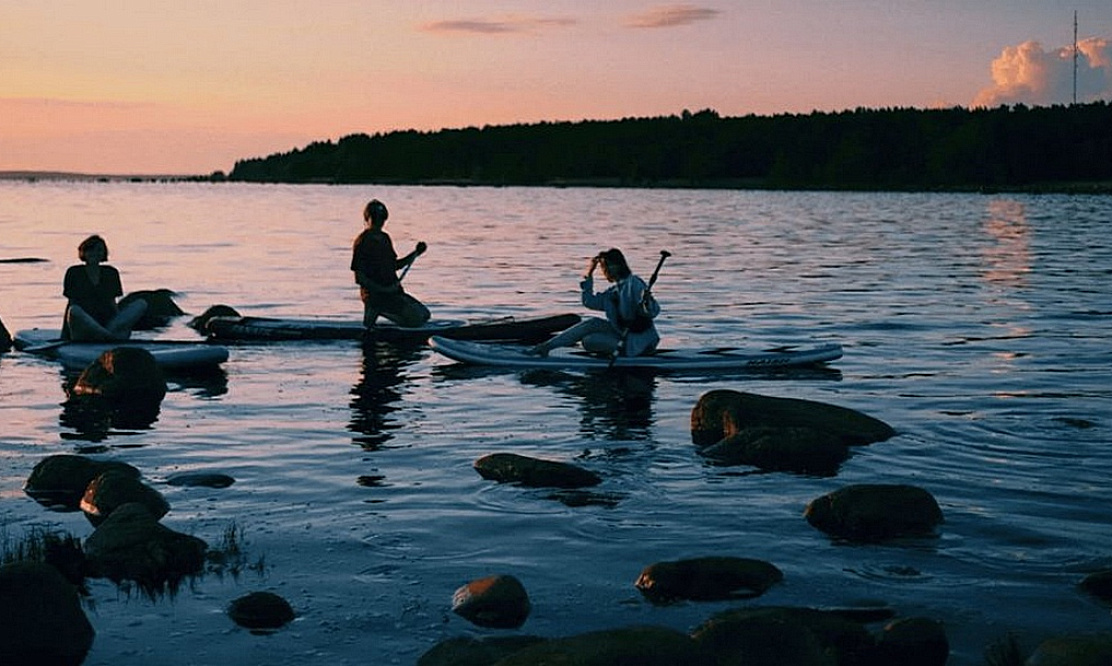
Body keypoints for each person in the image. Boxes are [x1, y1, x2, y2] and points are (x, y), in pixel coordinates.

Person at [529, 248, 660, 357]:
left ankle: (638, 352)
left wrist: (646, 303)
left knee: (590, 341)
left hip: (638, 342)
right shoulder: (613, 291)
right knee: (592, 323)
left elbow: (654, 311)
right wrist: (590, 272)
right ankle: (546, 346)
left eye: (609, 265)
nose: (606, 269)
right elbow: (589, 302)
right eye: (604, 266)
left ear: (620, 265)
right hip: (622, 333)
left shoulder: (634, 283)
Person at [351, 199, 431, 328]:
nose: (380, 222)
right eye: (376, 219)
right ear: (368, 219)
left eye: (382, 219)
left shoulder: (385, 238)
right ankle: (375, 312)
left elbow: (394, 265)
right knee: (415, 320)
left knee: (425, 315)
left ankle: (385, 318)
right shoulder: (362, 242)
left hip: (393, 293)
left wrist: (415, 253)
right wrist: (384, 289)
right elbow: (359, 278)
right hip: (376, 296)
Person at [62, 234, 148, 341]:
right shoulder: (74, 272)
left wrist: (120, 323)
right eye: (90, 250)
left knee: (141, 304)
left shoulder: (111, 272)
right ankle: (108, 337)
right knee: (74, 310)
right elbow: (71, 303)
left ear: (103, 253)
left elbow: (112, 302)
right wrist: (64, 335)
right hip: (84, 326)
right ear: (83, 252)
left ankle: (107, 334)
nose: (94, 253)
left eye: (98, 250)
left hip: (106, 324)